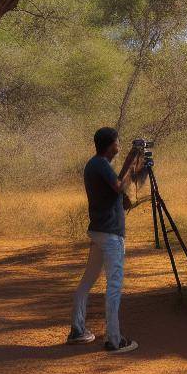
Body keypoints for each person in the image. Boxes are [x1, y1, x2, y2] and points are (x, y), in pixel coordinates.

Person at [66, 127, 139, 354]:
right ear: (110, 145)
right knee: (114, 285)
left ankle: (78, 330)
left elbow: (115, 189)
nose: (119, 146)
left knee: (87, 281)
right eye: (118, 143)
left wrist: (123, 195)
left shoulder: (95, 165)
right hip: (110, 234)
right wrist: (132, 163)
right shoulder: (100, 164)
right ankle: (114, 340)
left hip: (99, 232)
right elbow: (118, 185)